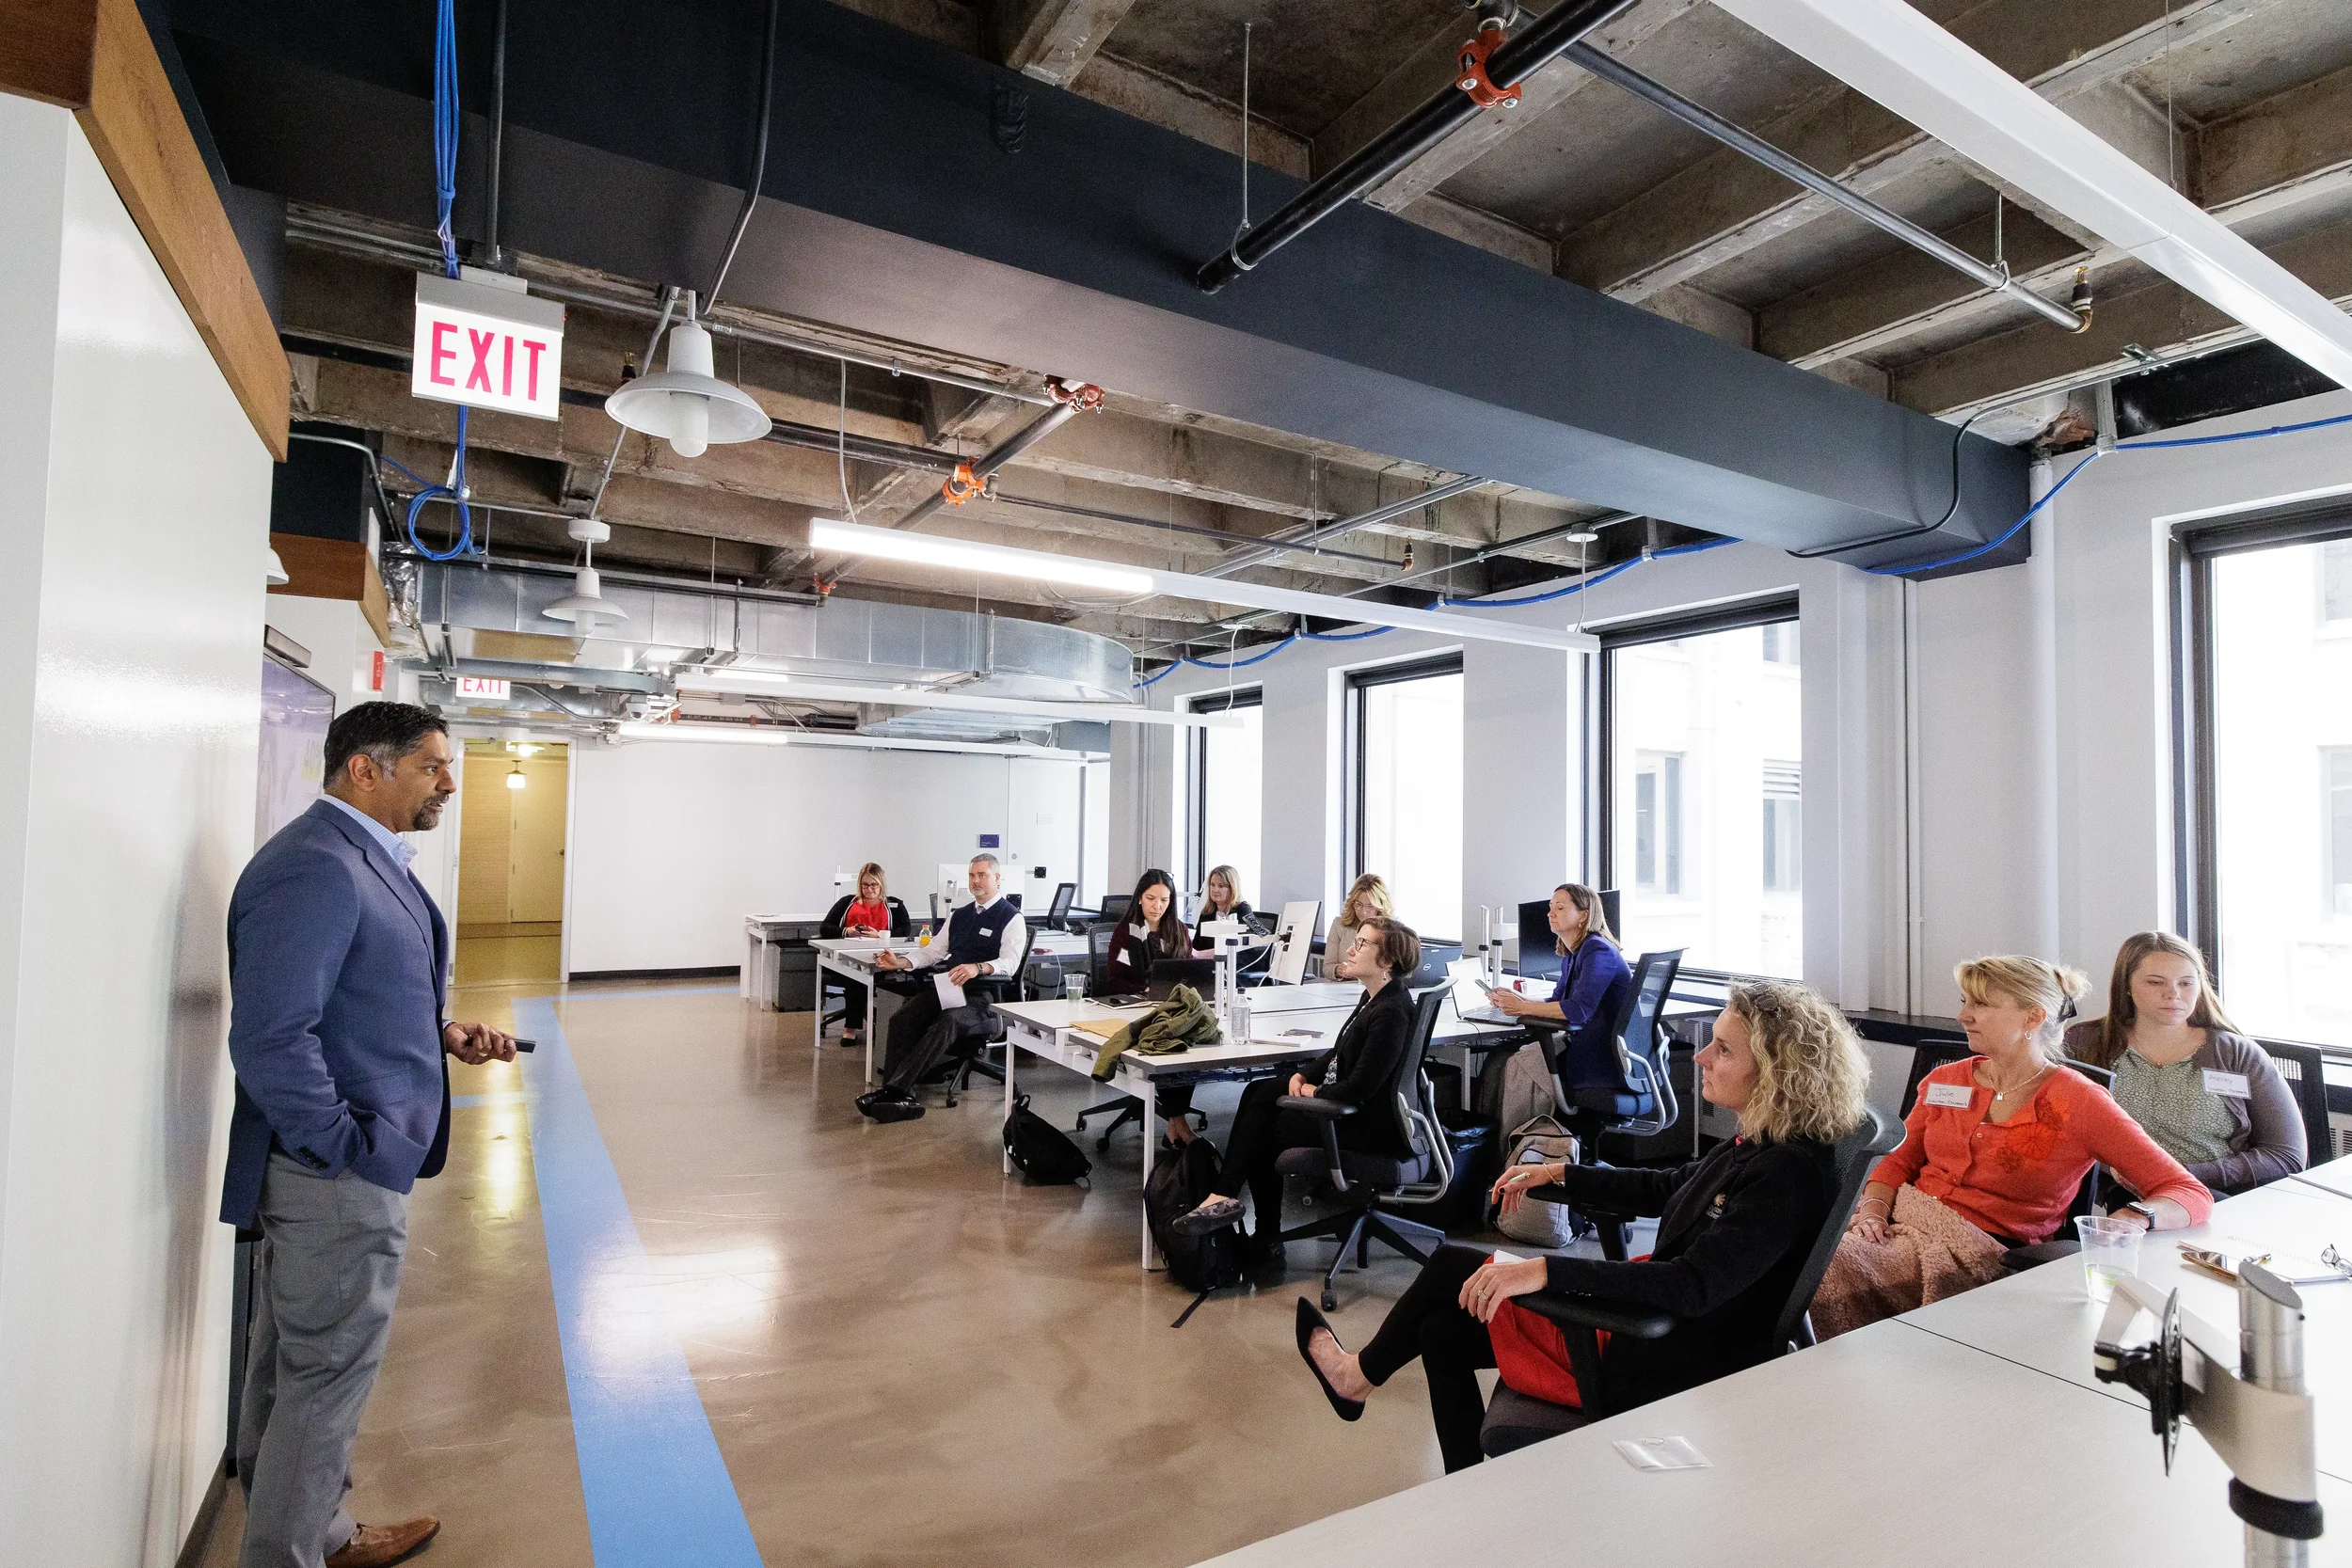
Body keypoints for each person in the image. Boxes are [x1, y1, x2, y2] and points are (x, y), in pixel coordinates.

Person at [1292, 979, 1869, 1473]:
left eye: (1722, 1050)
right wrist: (1561, 1174)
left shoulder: (1785, 1176)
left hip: (1665, 1351)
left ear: (1774, 1074)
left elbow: (1690, 1287)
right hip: (1654, 1323)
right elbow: (1668, 1187)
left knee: (1453, 1266)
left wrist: (1545, 1271)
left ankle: (1355, 1378)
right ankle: (1463, 1491)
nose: (1699, 1058)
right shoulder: (1761, 1143)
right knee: (1441, 1327)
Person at [221, 702, 517, 1568]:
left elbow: (356, 995)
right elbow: (273, 1035)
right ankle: (286, 1554)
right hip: (331, 1175)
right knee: (325, 1375)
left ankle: (320, 1530)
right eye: (432, 765)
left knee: (294, 1365)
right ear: (364, 768)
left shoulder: (354, 857)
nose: (449, 782)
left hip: (336, 1162)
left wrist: (441, 1033)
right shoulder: (314, 866)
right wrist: (341, 1145)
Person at [1811, 956, 2213, 1338]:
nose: (1963, 1015)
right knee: (1797, 1254)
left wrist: (2132, 1218)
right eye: (1965, 1001)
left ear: (2033, 1017)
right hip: (1897, 1229)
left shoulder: (2080, 1101)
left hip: (1982, 1252)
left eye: (1981, 1004)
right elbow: (1895, 1164)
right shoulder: (1946, 1080)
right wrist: (1873, 1212)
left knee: (1812, 1276)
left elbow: (2188, 1192)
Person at [1169, 918, 1423, 1264]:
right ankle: (1233, 1205)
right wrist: (1303, 1073)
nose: (1351, 948)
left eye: (1362, 943)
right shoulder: (1375, 997)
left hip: (1365, 1124)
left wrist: (1312, 1093)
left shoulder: (1391, 1011)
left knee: (1263, 1130)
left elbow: (1361, 1088)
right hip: (1356, 1109)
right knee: (1257, 1093)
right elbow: (1340, 1052)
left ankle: (1258, 1227)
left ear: (1387, 961)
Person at [2064, 931, 2305, 1196]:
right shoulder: (2084, 1043)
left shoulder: (2237, 1054)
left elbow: (2287, 1156)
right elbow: (2055, 1133)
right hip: (2116, 1198)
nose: (2173, 994)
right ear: (2127, 986)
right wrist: (2115, 1170)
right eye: (2156, 983)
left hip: (2215, 1196)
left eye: (2186, 983)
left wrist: (2181, 1175)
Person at [853, 854, 1025, 1122]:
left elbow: (1011, 963)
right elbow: (933, 952)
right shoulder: (960, 915)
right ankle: (898, 1093)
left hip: (983, 998)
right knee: (902, 1018)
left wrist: (978, 968)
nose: (976, 881)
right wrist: (900, 962)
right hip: (949, 989)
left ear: (997, 878)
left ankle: (894, 1092)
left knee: (948, 1021)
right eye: (972, 875)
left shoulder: (1011, 918)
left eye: (982, 875)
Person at [1481, 883, 1634, 1128]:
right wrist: (1516, 999)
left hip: (1602, 1060)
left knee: (1513, 1064)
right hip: (1589, 1047)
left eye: (1560, 908)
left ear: (1584, 915)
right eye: (1550, 908)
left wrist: (1521, 1009)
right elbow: (1557, 1002)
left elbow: (1578, 1010)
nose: (1550, 913)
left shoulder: (1598, 951)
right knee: (1498, 1058)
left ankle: (1522, 1145)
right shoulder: (1575, 951)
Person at [818, 863, 911, 1048]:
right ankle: (850, 1029)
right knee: (857, 979)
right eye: (865, 885)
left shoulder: (894, 904)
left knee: (880, 977)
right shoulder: (847, 903)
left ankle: (887, 1025)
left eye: (874, 885)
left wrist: (881, 935)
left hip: (881, 958)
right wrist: (847, 931)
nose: (869, 889)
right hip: (848, 959)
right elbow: (825, 928)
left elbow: (906, 929)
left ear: (881, 885)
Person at [1104, 868, 1189, 996]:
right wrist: (1144, 990)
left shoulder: (1180, 930)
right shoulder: (1126, 932)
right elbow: (1115, 981)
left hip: (1175, 1001)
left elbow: (1190, 972)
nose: (1157, 906)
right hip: (1137, 1001)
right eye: (1150, 898)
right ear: (1140, 898)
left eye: (1164, 900)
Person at [1324, 874, 1391, 976]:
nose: (1363, 912)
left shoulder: (1391, 929)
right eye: (1358, 905)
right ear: (1352, 903)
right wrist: (1338, 969)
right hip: (1343, 988)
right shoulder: (1339, 925)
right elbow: (1327, 968)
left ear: (1380, 907)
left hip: (1376, 988)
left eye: (1370, 907)